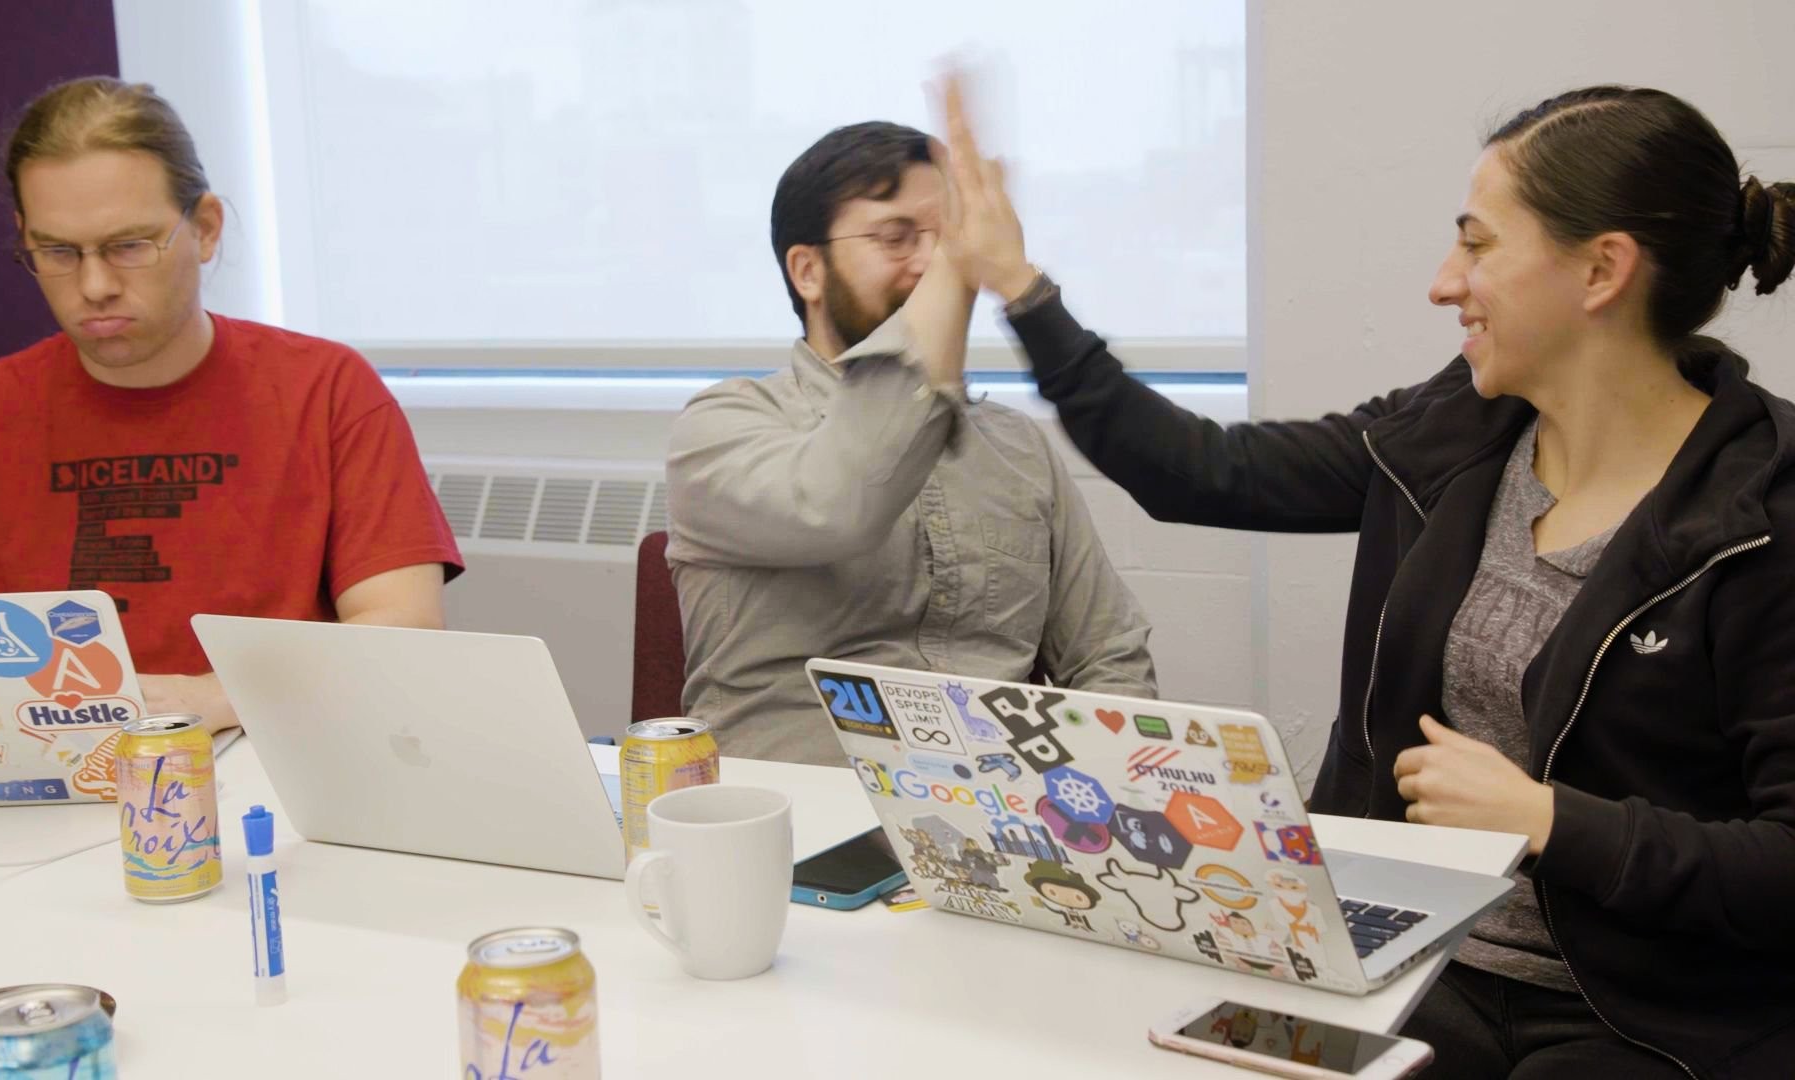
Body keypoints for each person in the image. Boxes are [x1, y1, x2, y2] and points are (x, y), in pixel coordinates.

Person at [940, 80, 1795, 1077]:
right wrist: (1021, 287)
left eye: (1478, 244)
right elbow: (1194, 468)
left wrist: (1555, 823)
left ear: (1602, 269)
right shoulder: (1450, 434)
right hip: (1410, 964)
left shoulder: (1762, 514)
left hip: (1645, 1016)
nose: (1444, 282)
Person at [0, 78, 462, 734]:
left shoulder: (325, 390)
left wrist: (219, 696)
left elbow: (403, 630)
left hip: (276, 759)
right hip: (40, 787)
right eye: (58, 252)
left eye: (129, 246)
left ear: (205, 228)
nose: (94, 286)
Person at [664, 112, 1156, 767]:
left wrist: (1107, 794)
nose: (931, 262)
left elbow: (1107, 654)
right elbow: (840, 506)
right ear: (808, 271)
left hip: (1001, 821)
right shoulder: (721, 427)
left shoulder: (1018, 447)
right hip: (799, 821)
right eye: (897, 237)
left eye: (946, 238)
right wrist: (956, 264)